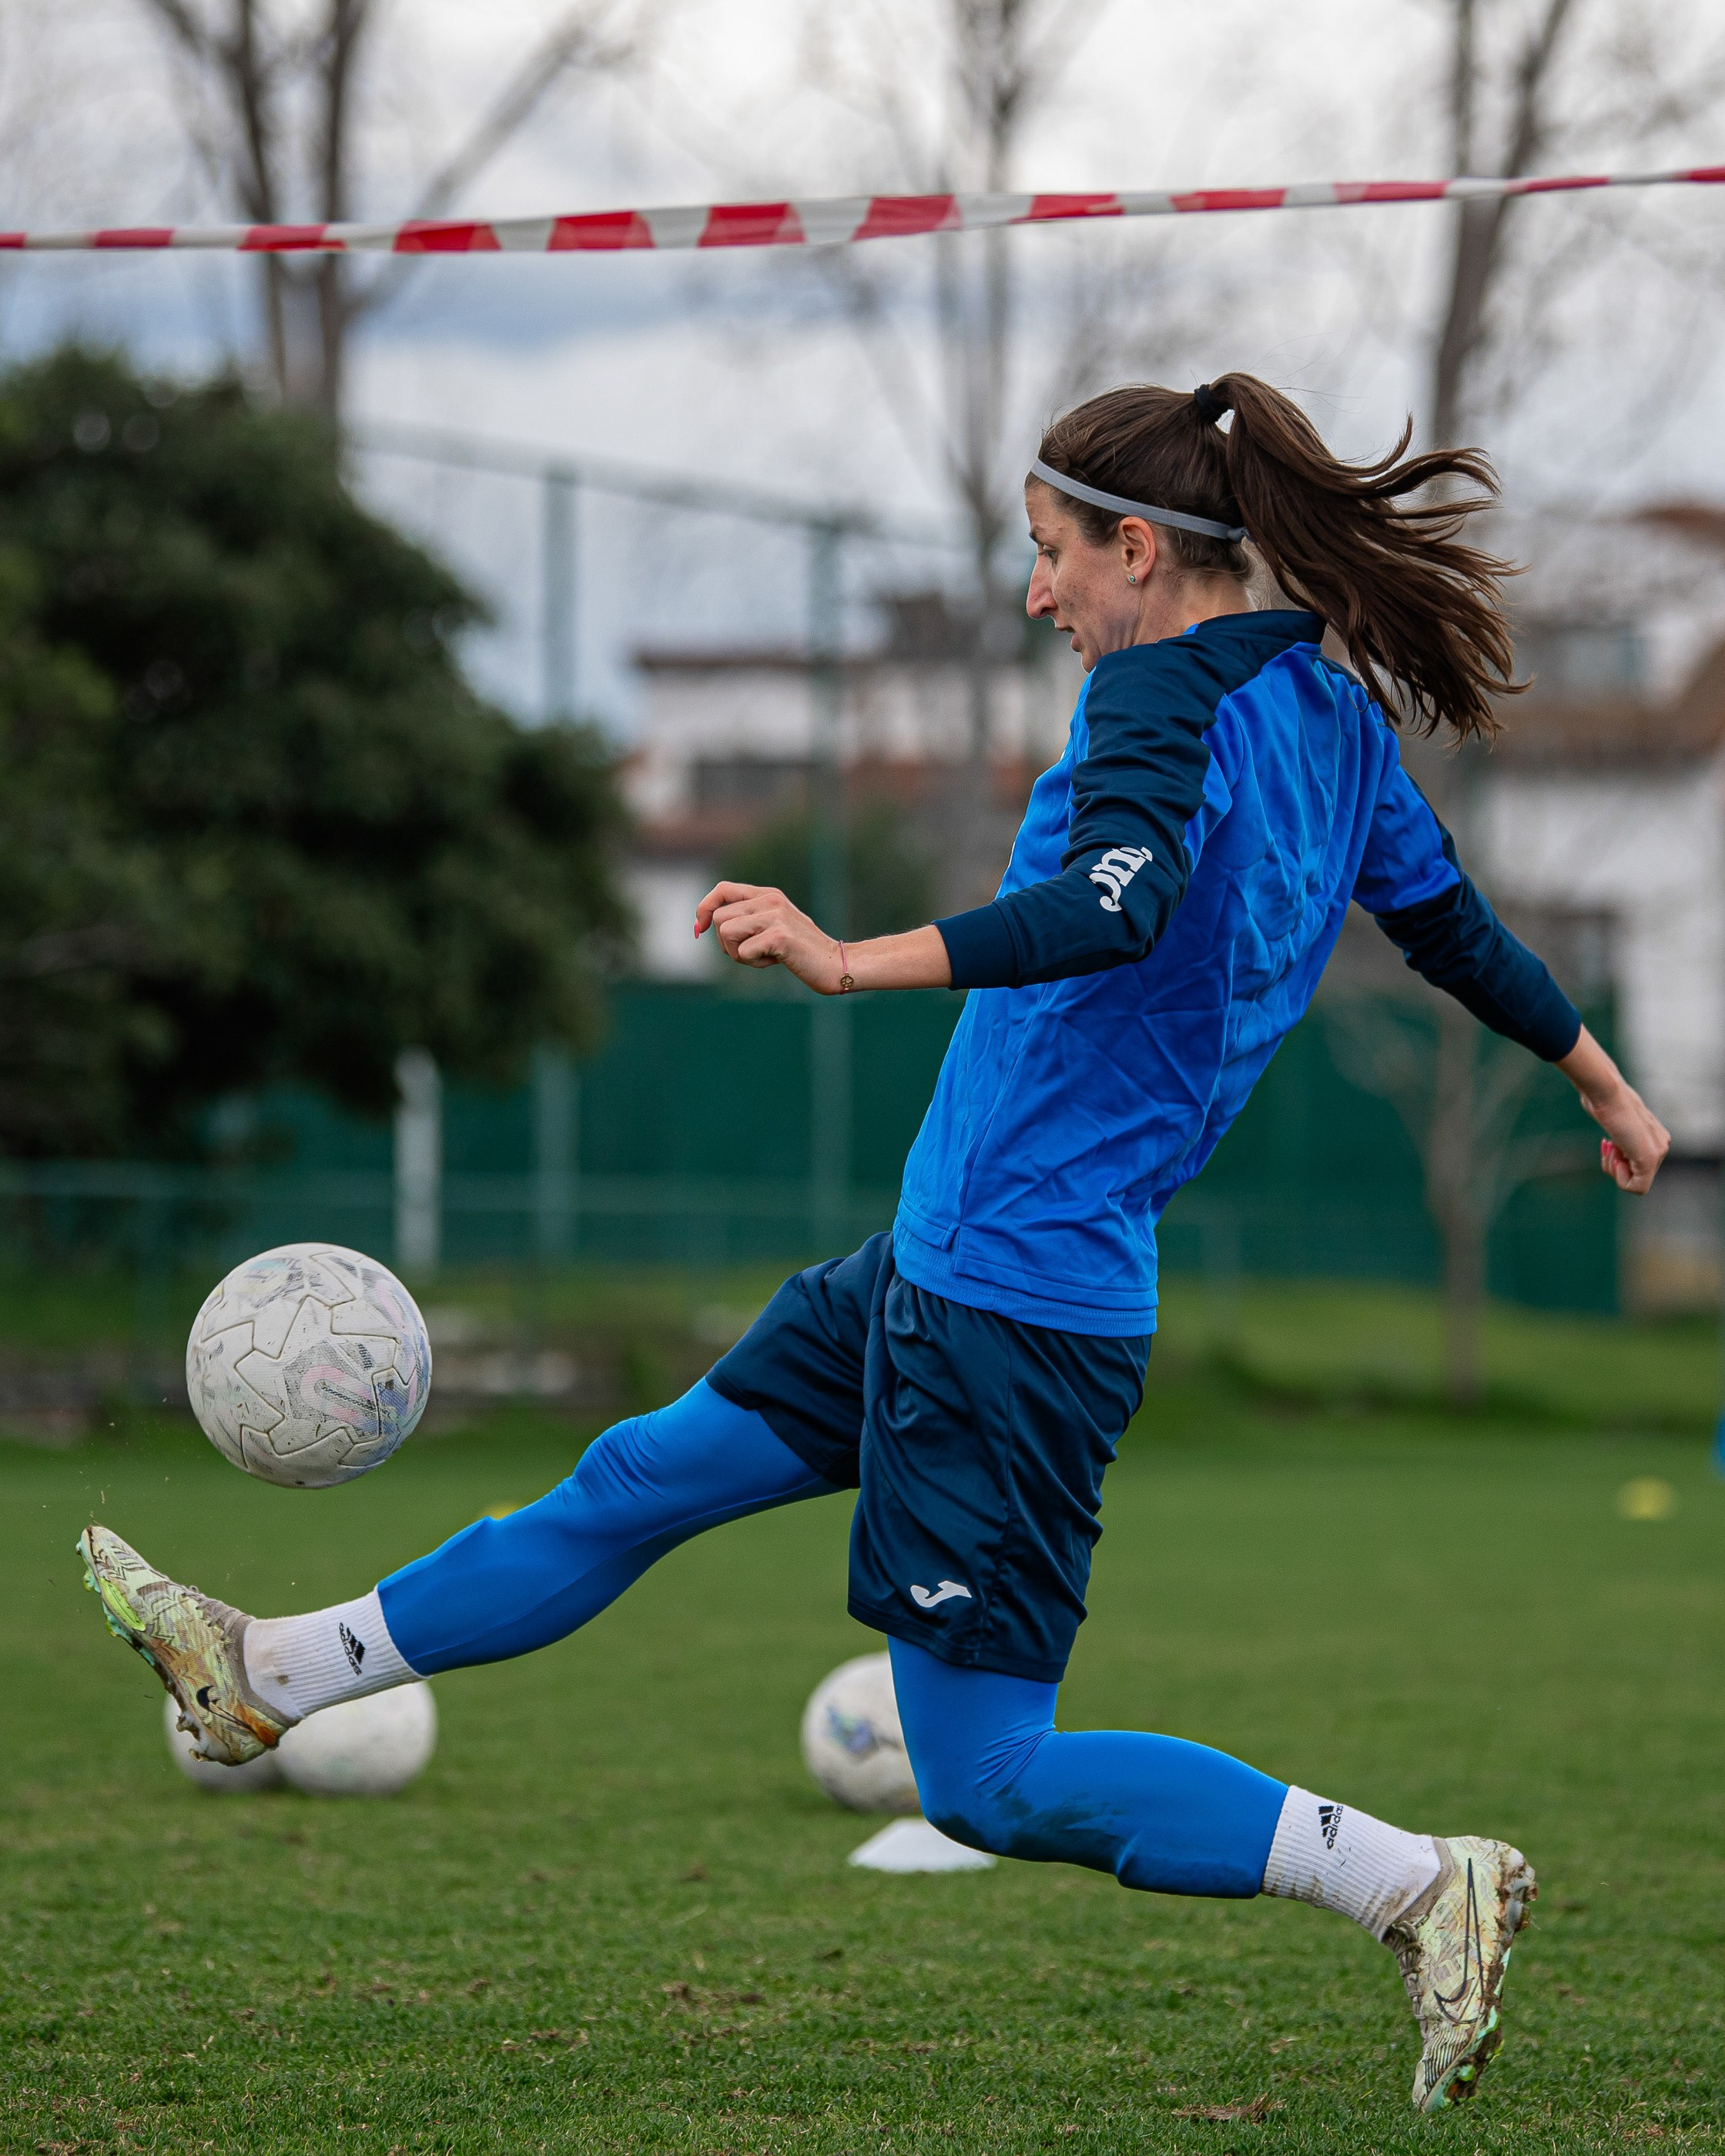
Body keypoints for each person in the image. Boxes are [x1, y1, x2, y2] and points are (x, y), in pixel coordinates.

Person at [80, 373, 1670, 2116]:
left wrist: (853, 956)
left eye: (1053, 553)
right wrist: (1604, 1080)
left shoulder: (1161, 693)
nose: (1039, 591)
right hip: (943, 1264)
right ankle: (271, 1674)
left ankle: (1409, 1876)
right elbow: (1454, 930)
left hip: (1010, 1294)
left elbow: (1114, 898)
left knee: (984, 1778)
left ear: (1141, 551)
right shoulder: (1331, 713)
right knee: (635, 1477)